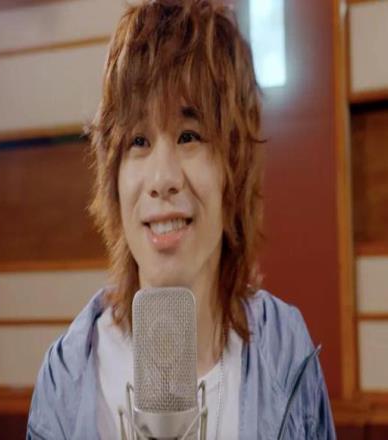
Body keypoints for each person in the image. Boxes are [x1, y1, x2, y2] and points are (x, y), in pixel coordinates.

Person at [27, 0, 336, 438]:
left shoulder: (284, 354)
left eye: (189, 136)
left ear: (233, 167)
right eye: (138, 141)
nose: (162, 179)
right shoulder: (67, 377)